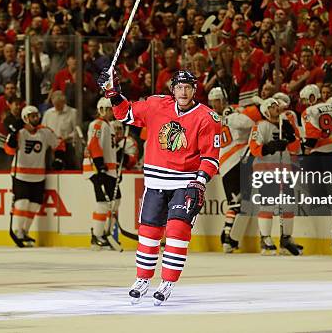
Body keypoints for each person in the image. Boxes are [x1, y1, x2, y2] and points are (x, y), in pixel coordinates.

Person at [97, 68, 221, 306]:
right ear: (172, 89)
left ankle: (167, 282)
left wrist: (200, 181)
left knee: (176, 232)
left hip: (185, 182)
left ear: (194, 90)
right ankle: (142, 279)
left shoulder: (208, 118)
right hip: (155, 182)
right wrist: (113, 93)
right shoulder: (156, 105)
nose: (183, 92)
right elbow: (125, 113)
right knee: (149, 232)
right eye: (179, 87)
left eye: (188, 87)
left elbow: (210, 158)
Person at [4, 106, 63, 248]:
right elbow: (9, 150)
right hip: (21, 174)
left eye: (37, 115)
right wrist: (13, 133)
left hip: (38, 175)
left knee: (34, 205)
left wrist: (59, 158)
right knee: (22, 202)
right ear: (25, 118)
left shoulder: (45, 131)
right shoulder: (20, 132)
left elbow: (59, 143)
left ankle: (24, 231)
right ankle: (18, 231)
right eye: (32, 116)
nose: (36, 118)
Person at [248, 97, 301, 256]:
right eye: (272, 106)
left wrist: (291, 137)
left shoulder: (284, 124)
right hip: (265, 170)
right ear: (265, 111)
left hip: (284, 169)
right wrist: (271, 147)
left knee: (288, 205)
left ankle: (286, 238)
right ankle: (265, 239)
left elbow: (295, 147)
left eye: (277, 105)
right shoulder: (260, 126)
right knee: (268, 205)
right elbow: (254, 149)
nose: (276, 108)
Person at [208, 87, 256, 253]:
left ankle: (229, 236)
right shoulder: (232, 116)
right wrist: (237, 111)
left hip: (229, 164)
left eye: (217, 101)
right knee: (236, 203)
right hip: (233, 164)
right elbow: (250, 122)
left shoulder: (214, 119)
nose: (215, 105)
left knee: (239, 202)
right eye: (213, 102)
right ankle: (227, 237)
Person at [82, 97, 119, 250]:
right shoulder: (97, 124)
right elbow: (93, 145)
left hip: (108, 170)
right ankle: (97, 236)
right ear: (102, 109)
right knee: (103, 204)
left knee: (116, 201)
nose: (112, 112)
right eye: (110, 109)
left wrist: (115, 169)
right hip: (97, 170)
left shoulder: (109, 125)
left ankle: (106, 233)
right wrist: (100, 165)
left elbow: (109, 149)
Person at [42, 90, 78, 169]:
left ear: (64, 102)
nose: (57, 107)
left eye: (59, 104)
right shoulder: (48, 113)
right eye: (55, 104)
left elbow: (77, 130)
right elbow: (43, 129)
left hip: (68, 146)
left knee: (69, 167)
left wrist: (67, 137)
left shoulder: (73, 112)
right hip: (51, 147)